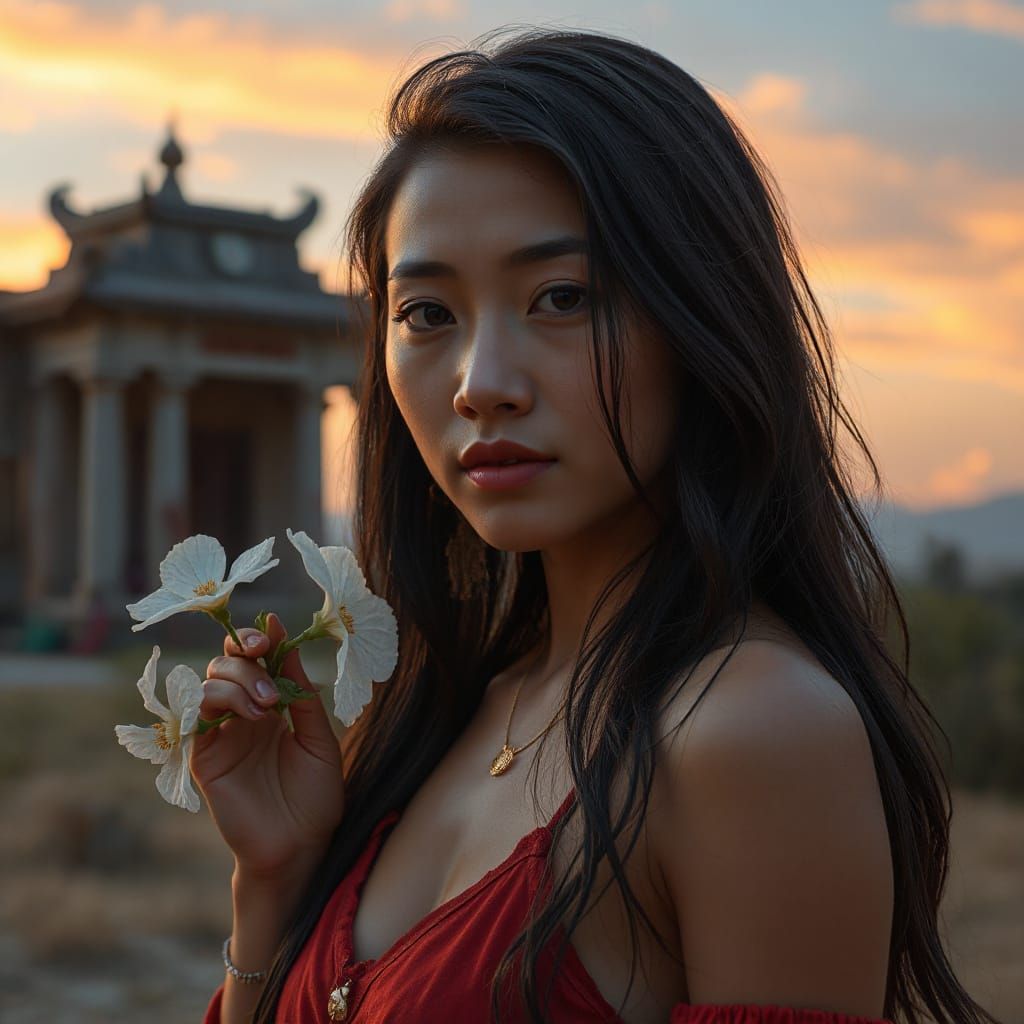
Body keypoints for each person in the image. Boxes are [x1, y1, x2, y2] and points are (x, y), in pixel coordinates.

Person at [192, 26, 1001, 1024]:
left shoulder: (752, 731)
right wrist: (274, 883)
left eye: (561, 298)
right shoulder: (449, 706)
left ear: (701, 315)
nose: (482, 384)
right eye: (427, 314)